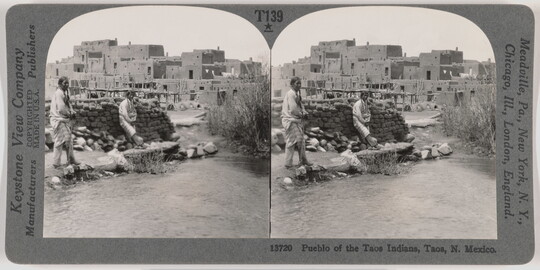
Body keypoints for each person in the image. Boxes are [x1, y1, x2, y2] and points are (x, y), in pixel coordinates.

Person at [281, 77, 312, 169]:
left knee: (301, 140)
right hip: (290, 120)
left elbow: (300, 106)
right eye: (297, 83)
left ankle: (303, 160)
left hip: (295, 120)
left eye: (300, 83)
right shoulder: (291, 94)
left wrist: (304, 112)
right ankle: (288, 164)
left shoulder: (296, 94)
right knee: (291, 141)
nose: (299, 85)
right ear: (292, 84)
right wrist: (302, 114)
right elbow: (294, 109)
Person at [50, 76, 79, 168]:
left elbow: (68, 105)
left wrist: (72, 111)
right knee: (59, 141)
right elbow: (62, 108)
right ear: (59, 84)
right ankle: (56, 163)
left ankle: (71, 159)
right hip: (59, 119)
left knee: (68, 140)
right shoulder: (59, 93)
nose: (67, 85)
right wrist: (70, 114)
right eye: (65, 83)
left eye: (67, 83)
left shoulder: (64, 93)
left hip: (63, 119)